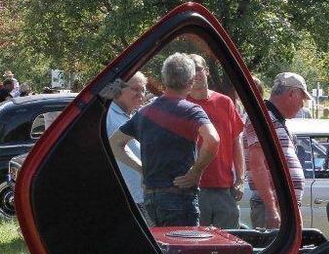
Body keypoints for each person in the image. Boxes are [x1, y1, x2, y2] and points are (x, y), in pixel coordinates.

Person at [108, 53, 219, 227]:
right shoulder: (192, 111)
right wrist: (196, 171)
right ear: (190, 82)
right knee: (183, 251)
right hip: (180, 198)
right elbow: (212, 139)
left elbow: (115, 143)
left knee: (158, 252)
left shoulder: (145, 113)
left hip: (150, 200)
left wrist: (141, 169)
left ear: (164, 79)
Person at [242, 72, 310, 228]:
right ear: (291, 93)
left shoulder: (274, 119)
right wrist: (272, 208)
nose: (302, 105)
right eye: (302, 98)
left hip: (285, 205)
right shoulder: (263, 118)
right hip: (274, 206)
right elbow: (257, 164)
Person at [187, 54, 245, 229]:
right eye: (190, 70)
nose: (196, 74)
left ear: (207, 71)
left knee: (229, 246)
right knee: (197, 249)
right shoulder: (181, 104)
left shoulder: (224, 102)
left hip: (224, 188)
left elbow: (237, 141)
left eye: (199, 68)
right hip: (193, 188)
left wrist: (240, 179)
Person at [100, 72, 147, 211]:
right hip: (129, 198)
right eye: (135, 89)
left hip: (140, 194)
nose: (141, 94)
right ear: (118, 89)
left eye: (143, 89)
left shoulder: (131, 116)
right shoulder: (108, 117)